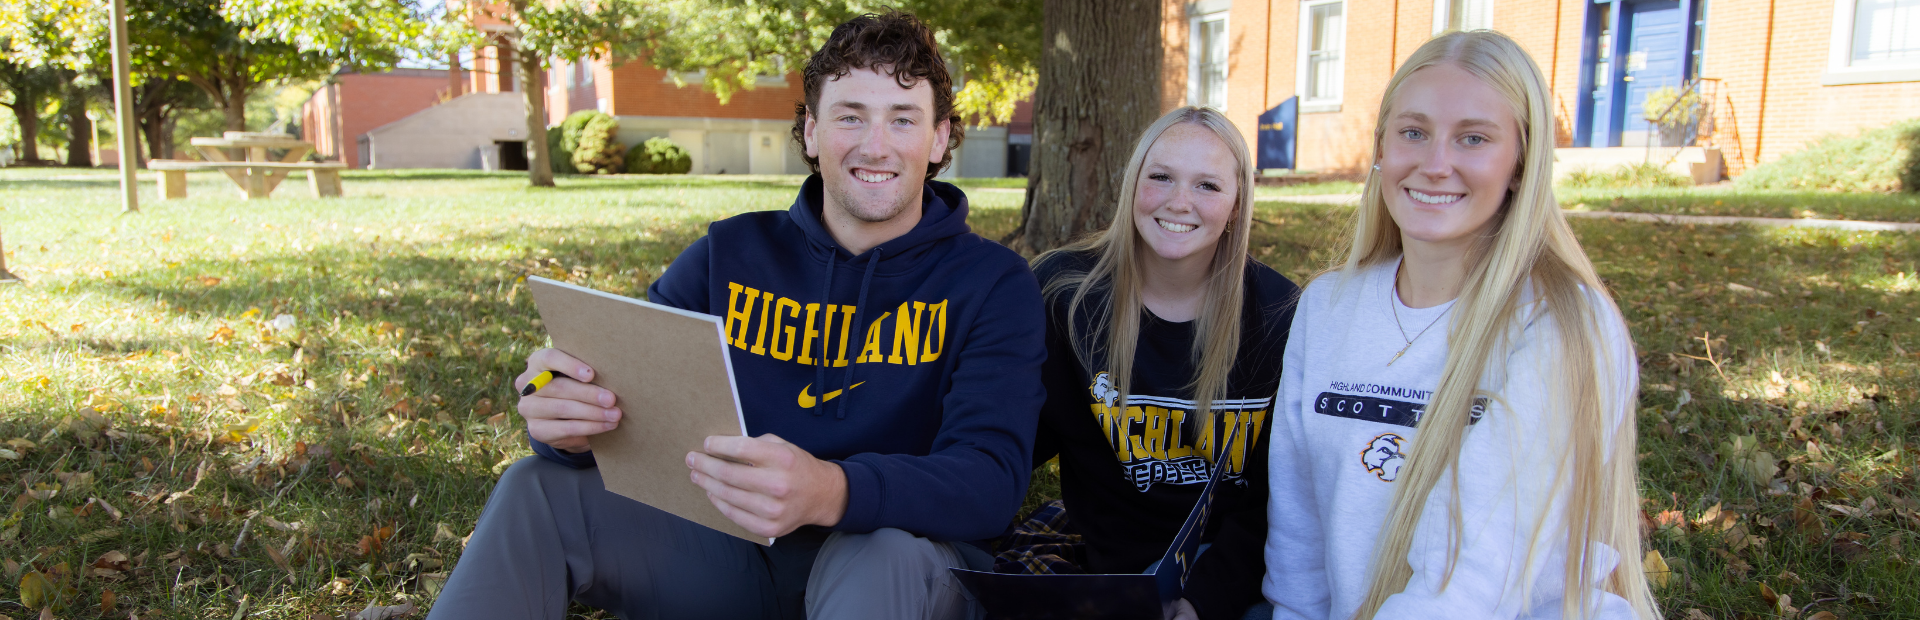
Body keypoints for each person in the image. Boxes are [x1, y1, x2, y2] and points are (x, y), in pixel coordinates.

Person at [427, 11, 1047, 620]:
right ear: (811, 132)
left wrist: (831, 491)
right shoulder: (726, 254)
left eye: (903, 119)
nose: (875, 144)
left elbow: (989, 482)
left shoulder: (993, 283)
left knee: (880, 552)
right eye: (850, 116)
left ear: (938, 139)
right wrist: (567, 426)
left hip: (895, 566)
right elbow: (633, 413)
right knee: (534, 488)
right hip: (728, 553)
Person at [1261, 30, 1658, 620]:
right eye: (1413, 132)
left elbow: (1470, 582)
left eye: (1473, 138)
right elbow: (1299, 539)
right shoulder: (1327, 306)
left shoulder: (1566, 323)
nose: (1435, 164)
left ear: (1520, 164)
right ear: (1381, 147)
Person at [1008, 106, 1297, 620]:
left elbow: (1280, 501)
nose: (1179, 201)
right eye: (1161, 177)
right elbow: (1011, 438)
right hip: (1108, 564)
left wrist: (1203, 600)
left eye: (1207, 185)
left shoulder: (1279, 315)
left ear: (1236, 205)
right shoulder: (1066, 294)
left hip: (1230, 568)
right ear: (1132, 184)